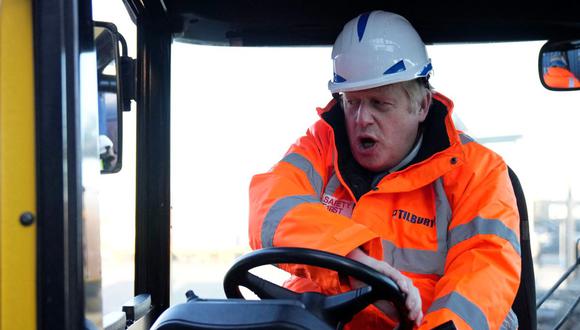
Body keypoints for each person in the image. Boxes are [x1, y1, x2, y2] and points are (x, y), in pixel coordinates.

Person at [249, 10, 521, 329]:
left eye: (380, 103)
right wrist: (351, 261)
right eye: (353, 102)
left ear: (421, 106)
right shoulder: (321, 145)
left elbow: (483, 273)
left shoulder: (478, 171)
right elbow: (270, 208)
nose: (362, 118)